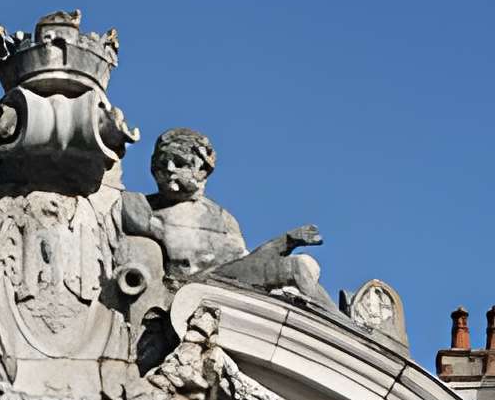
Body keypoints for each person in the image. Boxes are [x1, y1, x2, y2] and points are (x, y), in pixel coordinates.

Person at [123, 128, 338, 314]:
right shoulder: (140, 205)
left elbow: (245, 263)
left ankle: (343, 326)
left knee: (304, 265)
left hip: (220, 281)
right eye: (162, 164)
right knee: (298, 268)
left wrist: (286, 241)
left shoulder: (221, 218)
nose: (169, 169)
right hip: (184, 290)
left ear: (202, 169)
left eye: (179, 163)